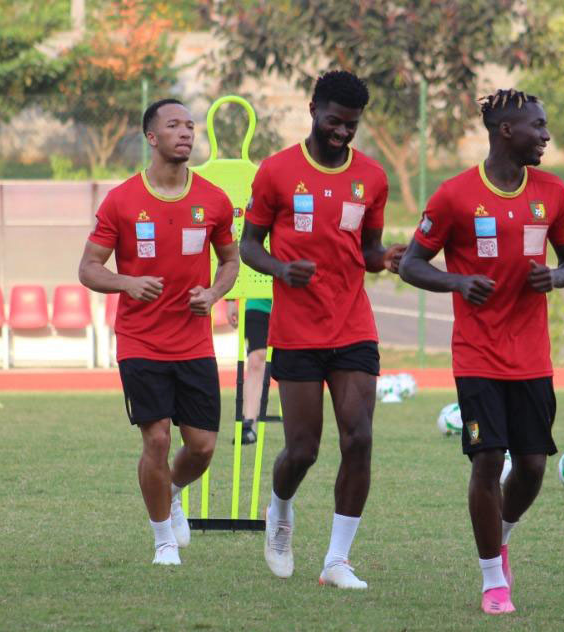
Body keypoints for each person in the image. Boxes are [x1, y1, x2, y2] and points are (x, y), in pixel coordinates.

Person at [399, 88, 564, 615]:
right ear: (506, 131)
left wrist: (556, 277)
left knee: (532, 467)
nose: (546, 135)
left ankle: (500, 535)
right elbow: (411, 264)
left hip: (532, 356)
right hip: (477, 353)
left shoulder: (554, 192)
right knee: (487, 460)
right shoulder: (455, 196)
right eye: (538, 126)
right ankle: (491, 580)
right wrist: (458, 282)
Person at [239, 70, 404, 589]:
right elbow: (249, 245)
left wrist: (386, 259)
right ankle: (280, 508)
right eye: (335, 121)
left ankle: (337, 561)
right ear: (313, 109)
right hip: (296, 330)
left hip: (353, 325)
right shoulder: (276, 172)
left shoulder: (372, 177)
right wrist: (280, 269)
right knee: (303, 450)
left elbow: (368, 249)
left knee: (359, 438)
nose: (342, 132)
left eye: (352, 125)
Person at [78, 99, 240, 565]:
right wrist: (127, 283)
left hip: (193, 341)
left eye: (190, 125)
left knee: (203, 447)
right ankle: (163, 541)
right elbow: (88, 268)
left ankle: (169, 491)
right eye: (174, 125)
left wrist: (214, 294)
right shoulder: (122, 200)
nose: (185, 133)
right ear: (152, 137)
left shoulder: (213, 199)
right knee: (157, 439)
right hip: (140, 341)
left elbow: (230, 260)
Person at [226, 297, 272, 444]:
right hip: (257, 302)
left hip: (292, 305)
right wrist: (230, 300)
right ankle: (249, 424)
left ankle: (300, 424)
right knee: (256, 360)